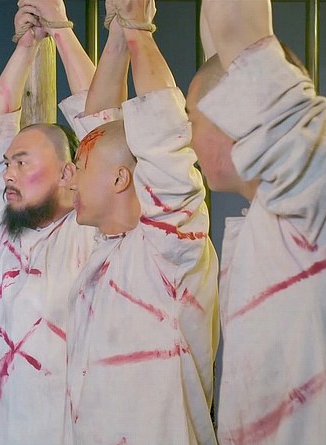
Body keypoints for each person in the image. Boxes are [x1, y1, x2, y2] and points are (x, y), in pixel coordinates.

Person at [189, 0, 326, 442]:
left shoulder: (317, 188)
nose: (188, 137)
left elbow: (237, 27)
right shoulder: (277, 217)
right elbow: (225, 54)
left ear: (236, 115)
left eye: (190, 118)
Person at [63, 0, 218, 442]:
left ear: (119, 179)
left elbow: (162, 137)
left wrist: (138, 30)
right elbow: (100, 130)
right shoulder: (110, 246)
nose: (69, 176)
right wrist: (116, 34)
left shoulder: (169, 248)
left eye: (80, 166)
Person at [0, 1, 100, 443]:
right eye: (9, 163)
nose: (8, 173)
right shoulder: (10, 230)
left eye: (22, 163)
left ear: (69, 174)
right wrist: (27, 45)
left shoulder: (95, 232)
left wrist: (62, 30)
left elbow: (104, 127)